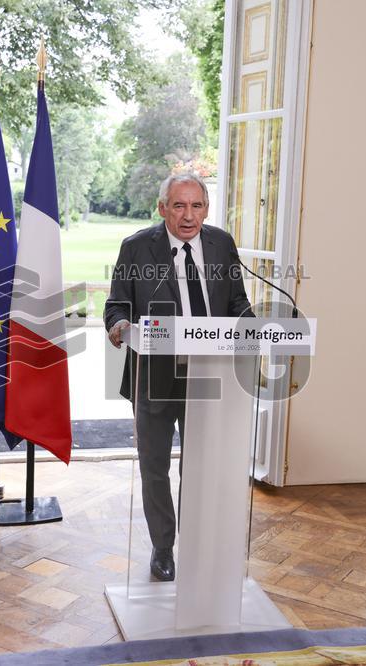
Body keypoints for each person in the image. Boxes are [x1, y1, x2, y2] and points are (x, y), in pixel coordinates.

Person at [104, 171, 253, 581]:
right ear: (163, 208)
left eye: (197, 206)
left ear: (206, 208)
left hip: (211, 373)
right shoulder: (136, 248)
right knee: (155, 467)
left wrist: (252, 328)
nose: (189, 216)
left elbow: (238, 301)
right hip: (154, 375)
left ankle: (200, 541)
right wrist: (119, 327)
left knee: (202, 465)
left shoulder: (221, 244)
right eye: (180, 206)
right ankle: (163, 548)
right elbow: (116, 305)